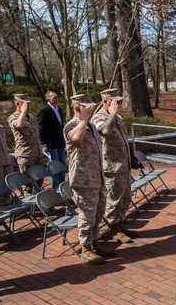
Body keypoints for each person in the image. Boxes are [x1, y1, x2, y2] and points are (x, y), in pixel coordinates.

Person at [64, 93, 115, 264]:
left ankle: (95, 242)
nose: (91, 110)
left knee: (99, 212)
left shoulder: (91, 127)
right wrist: (83, 119)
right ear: (77, 107)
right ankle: (85, 248)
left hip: (97, 178)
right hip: (83, 181)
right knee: (87, 215)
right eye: (87, 107)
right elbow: (76, 138)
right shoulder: (71, 126)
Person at [91, 88, 137, 243]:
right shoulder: (99, 117)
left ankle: (121, 223)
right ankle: (113, 228)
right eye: (115, 101)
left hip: (124, 166)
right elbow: (104, 131)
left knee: (125, 198)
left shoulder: (117, 118)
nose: (118, 104)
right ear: (106, 101)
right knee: (114, 199)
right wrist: (111, 114)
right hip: (112, 168)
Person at [37, 90, 67, 185]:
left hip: (60, 141)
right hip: (51, 142)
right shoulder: (44, 111)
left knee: (62, 163)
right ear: (48, 99)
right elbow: (41, 129)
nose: (57, 99)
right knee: (54, 164)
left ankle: (62, 183)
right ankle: (56, 184)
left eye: (57, 97)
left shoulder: (59, 109)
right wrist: (44, 144)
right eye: (54, 97)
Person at [9, 94, 43, 173]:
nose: (27, 106)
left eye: (28, 104)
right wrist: (23, 111)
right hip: (26, 155)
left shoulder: (30, 116)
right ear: (17, 104)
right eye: (24, 104)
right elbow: (19, 125)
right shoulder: (13, 117)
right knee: (28, 182)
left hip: (37, 153)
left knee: (39, 180)